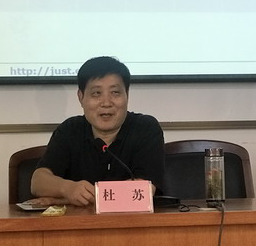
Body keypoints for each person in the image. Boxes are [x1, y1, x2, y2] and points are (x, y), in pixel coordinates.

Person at [30, 56, 164, 206]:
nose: (106, 103)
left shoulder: (145, 128)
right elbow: (38, 182)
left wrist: (66, 200)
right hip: (79, 221)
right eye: (96, 93)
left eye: (115, 92)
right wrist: (67, 189)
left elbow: (143, 190)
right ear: (81, 97)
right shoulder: (69, 130)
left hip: (133, 219)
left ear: (127, 94)